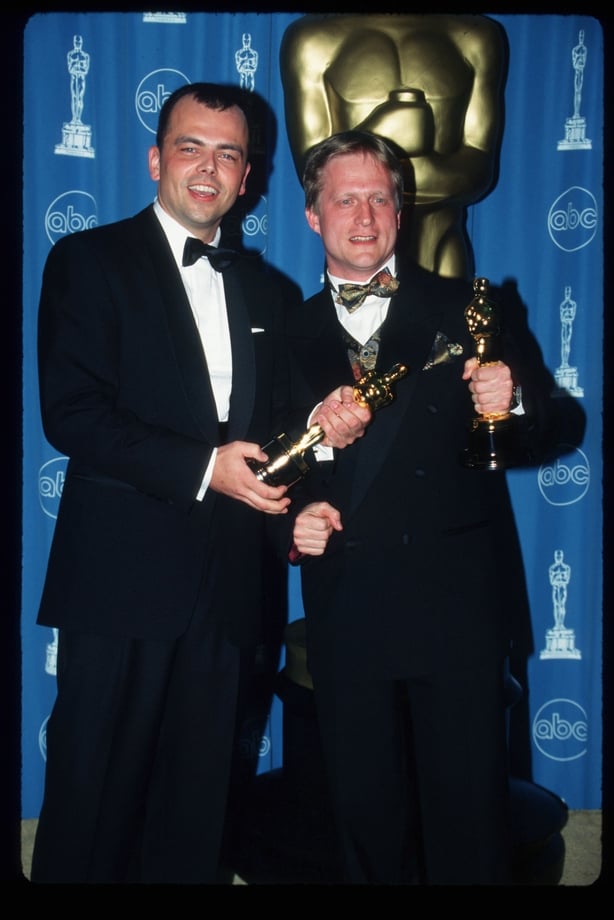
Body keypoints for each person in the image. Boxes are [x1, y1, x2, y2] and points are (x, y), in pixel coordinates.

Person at [30, 83, 370, 885]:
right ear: (156, 158)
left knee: (200, 806)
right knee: (93, 795)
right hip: (120, 583)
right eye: (191, 146)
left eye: (229, 153)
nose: (209, 167)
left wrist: (314, 471)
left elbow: (283, 435)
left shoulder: (272, 294)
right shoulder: (88, 260)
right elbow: (72, 413)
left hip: (232, 592)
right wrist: (201, 467)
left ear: (248, 176)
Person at [276, 130, 585, 885]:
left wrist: (514, 404)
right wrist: (293, 522)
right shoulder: (282, 330)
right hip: (348, 610)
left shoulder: (466, 306)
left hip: (457, 610)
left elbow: (553, 424)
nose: (363, 215)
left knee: (469, 823)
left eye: (379, 197)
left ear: (401, 211)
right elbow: (269, 458)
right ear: (313, 214)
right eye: (344, 198)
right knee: (364, 820)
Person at [280, 13, 506, 281]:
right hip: (356, 262)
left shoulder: (476, 36)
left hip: (442, 254)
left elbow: (479, 167)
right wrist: (383, 130)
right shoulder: (310, 40)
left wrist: (394, 164)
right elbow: (313, 173)